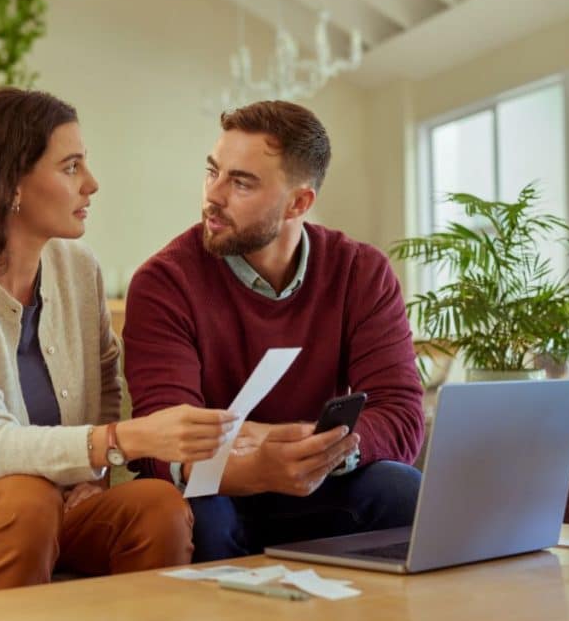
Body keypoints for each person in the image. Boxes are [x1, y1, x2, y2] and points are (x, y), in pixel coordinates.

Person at [0, 88, 234, 592]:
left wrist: (94, 477)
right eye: (71, 167)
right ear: (12, 183)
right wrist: (122, 440)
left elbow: (104, 386)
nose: (92, 185)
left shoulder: (78, 268)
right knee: (25, 501)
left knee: (160, 508)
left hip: (63, 505)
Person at [123, 99, 424, 562]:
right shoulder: (165, 282)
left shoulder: (360, 271)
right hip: (216, 489)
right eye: (213, 172)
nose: (213, 196)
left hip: (321, 484)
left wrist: (305, 447)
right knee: (198, 516)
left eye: (240, 182)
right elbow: (161, 442)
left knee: (402, 491)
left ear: (299, 202)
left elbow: (401, 415)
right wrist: (258, 465)